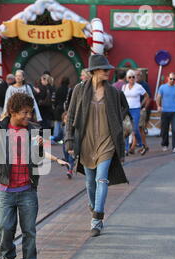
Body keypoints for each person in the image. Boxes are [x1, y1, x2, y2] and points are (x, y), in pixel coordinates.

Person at [0, 92, 68, 259]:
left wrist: (38, 148)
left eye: (30, 112)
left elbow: (37, 160)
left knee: (29, 231)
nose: (28, 116)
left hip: (27, 189)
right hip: (6, 190)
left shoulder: (34, 130)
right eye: (24, 112)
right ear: (12, 111)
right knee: (5, 229)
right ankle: (7, 257)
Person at [64, 54, 129, 237]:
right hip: (86, 140)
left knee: (102, 178)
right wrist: (69, 140)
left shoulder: (114, 92)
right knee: (89, 182)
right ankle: (94, 207)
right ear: (93, 72)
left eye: (108, 69)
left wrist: (121, 148)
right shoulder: (79, 90)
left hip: (107, 142)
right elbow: (70, 117)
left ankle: (97, 219)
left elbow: (119, 118)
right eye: (104, 69)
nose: (108, 72)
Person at [122, 69, 149, 155]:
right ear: (127, 78)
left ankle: (141, 144)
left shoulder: (139, 87)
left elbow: (146, 96)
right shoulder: (124, 87)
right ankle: (126, 148)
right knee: (126, 129)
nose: (131, 79)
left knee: (135, 128)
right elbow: (122, 97)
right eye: (129, 77)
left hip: (136, 109)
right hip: (127, 109)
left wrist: (142, 104)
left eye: (133, 77)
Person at [156, 72, 175, 153]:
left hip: (174, 111)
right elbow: (158, 97)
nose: (172, 80)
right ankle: (165, 144)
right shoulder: (162, 87)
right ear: (168, 78)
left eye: (174, 79)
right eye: (171, 78)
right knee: (164, 129)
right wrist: (158, 106)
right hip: (165, 111)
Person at [135, 69, 152, 155]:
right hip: (133, 110)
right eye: (135, 75)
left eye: (138, 75)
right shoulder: (132, 85)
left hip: (141, 110)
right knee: (136, 128)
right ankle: (141, 145)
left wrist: (144, 107)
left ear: (142, 76)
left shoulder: (144, 85)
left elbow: (148, 97)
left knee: (139, 128)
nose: (137, 77)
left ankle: (141, 146)